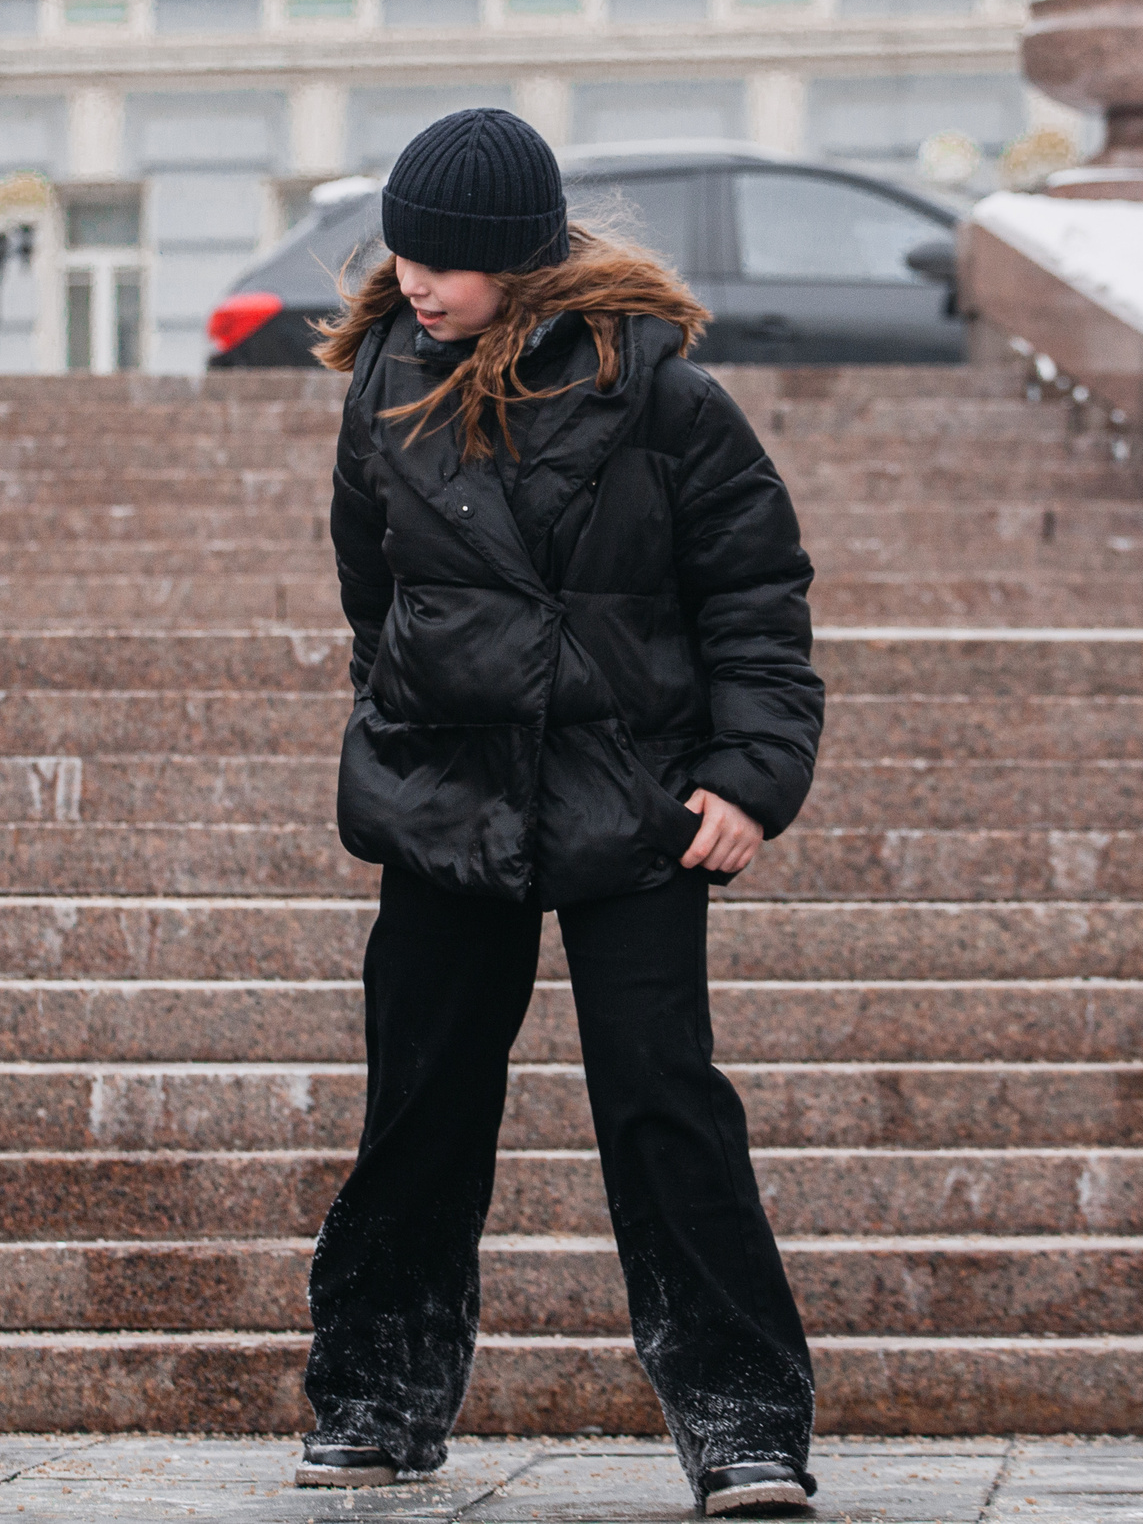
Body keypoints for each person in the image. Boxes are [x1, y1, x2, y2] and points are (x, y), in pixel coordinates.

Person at [297, 107, 824, 1520]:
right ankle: (375, 1396)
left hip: (634, 796)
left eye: (449, 259)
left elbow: (758, 602)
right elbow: (374, 592)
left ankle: (744, 1424)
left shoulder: (661, 396)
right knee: (421, 1101)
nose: (415, 278)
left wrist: (750, 775)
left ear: (522, 261)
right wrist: (398, 715)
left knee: (665, 1106)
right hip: (445, 791)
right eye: (405, 250)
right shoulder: (385, 387)